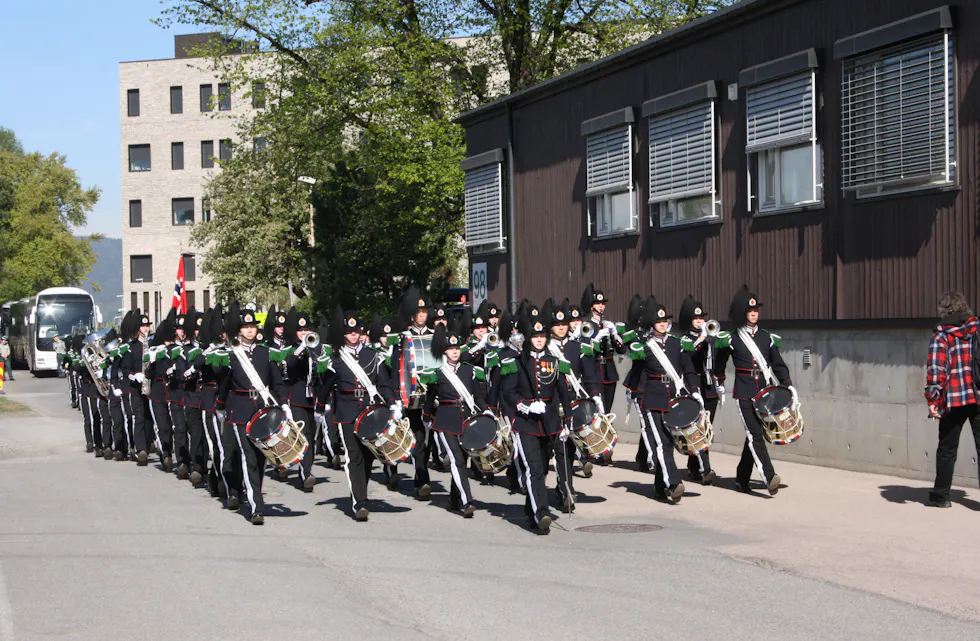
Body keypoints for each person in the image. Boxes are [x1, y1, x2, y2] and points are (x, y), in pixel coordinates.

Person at [316, 307, 396, 522]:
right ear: (344, 334)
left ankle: (361, 491)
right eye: (349, 332)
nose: (353, 335)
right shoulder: (335, 358)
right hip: (346, 410)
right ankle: (358, 502)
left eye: (356, 332)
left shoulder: (374, 356)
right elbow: (326, 386)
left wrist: (393, 404)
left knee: (369, 456)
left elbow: (384, 384)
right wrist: (319, 407)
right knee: (353, 456)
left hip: (370, 410)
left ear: (361, 333)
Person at [713, 286, 794, 495]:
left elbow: (778, 364)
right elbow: (718, 364)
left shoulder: (767, 338)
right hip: (745, 391)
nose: (754, 313)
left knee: (756, 435)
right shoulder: (732, 338)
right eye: (750, 311)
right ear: (742, 313)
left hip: (765, 391)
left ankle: (741, 478)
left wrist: (788, 385)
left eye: (756, 310)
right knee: (754, 433)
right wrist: (719, 383)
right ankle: (769, 476)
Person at [216, 303, 290, 525]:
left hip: (263, 409)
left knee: (260, 458)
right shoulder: (231, 353)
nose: (250, 330)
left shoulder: (266, 352)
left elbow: (276, 381)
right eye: (246, 327)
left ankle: (254, 493)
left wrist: (284, 404)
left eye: (253, 327)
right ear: (239, 330)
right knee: (248, 456)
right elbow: (224, 383)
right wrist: (220, 406)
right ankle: (256, 506)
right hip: (240, 408)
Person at [502, 304, 572, 534]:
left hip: (550, 423)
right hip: (526, 423)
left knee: (543, 467)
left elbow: (563, 393)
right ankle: (540, 512)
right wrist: (526, 405)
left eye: (542, 336)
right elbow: (509, 392)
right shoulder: (517, 362)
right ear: (528, 338)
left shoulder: (554, 362)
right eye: (535, 336)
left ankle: (530, 507)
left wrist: (567, 422)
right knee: (534, 470)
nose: (539, 340)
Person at [624, 297, 698, 503]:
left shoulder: (678, 344)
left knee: (670, 442)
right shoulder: (644, 347)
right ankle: (673, 483)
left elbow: (689, 370)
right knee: (661, 443)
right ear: (651, 325)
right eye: (659, 322)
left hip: (673, 397)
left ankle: (658, 488)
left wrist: (695, 390)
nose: (663, 324)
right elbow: (636, 368)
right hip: (653, 398)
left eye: (665, 321)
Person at [422, 322, 490, 517]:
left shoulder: (470, 371)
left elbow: (478, 396)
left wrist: (486, 411)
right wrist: (427, 417)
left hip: (467, 419)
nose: (454, 352)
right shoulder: (437, 373)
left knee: (463, 460)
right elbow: (430, 397)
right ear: (444, 351)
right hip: (446, 420)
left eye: (456, 348)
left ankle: (453, 498)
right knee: (456, 460)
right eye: (450, 349)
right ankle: (467, 500)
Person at [925, 291, 980, 508]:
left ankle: (941, 497)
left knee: (947, 449)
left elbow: (937, 370)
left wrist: (933, 399)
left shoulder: (942, 335)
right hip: (977, 397)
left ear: (943, 310)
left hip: (953, 399)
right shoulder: (976, 329)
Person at [677, 295, 720, 484]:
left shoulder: (711, 337)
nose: (701, 321)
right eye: (696, 319)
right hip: (694, 386)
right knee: (698, 428)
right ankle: (706, 469)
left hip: (710, 385)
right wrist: (702, 337)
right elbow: (690, 355)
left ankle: (693, 466)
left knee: (706, 428)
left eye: (702, 318)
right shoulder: (686, 339)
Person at [283, 307, 322, 493]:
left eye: (306, 330)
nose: (304, 333)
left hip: (313, 398)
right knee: (303, 435)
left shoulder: (316, 348)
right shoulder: (290, 349)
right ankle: (305, 473)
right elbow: (290, 364)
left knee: (312, 437)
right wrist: (302, 347)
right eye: (300, 331)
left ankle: (307, 469)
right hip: (297, 397)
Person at [121, 310, 154, 466]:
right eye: (143, 326)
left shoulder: (153, 346)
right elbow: (126, 368)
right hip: (136, 387)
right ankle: (140, 449)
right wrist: (134, 375)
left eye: (147, 326)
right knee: (139, 417)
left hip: (151, 387)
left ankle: (147, 445)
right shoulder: (131, 347)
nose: (146, 329)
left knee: (149, 419)